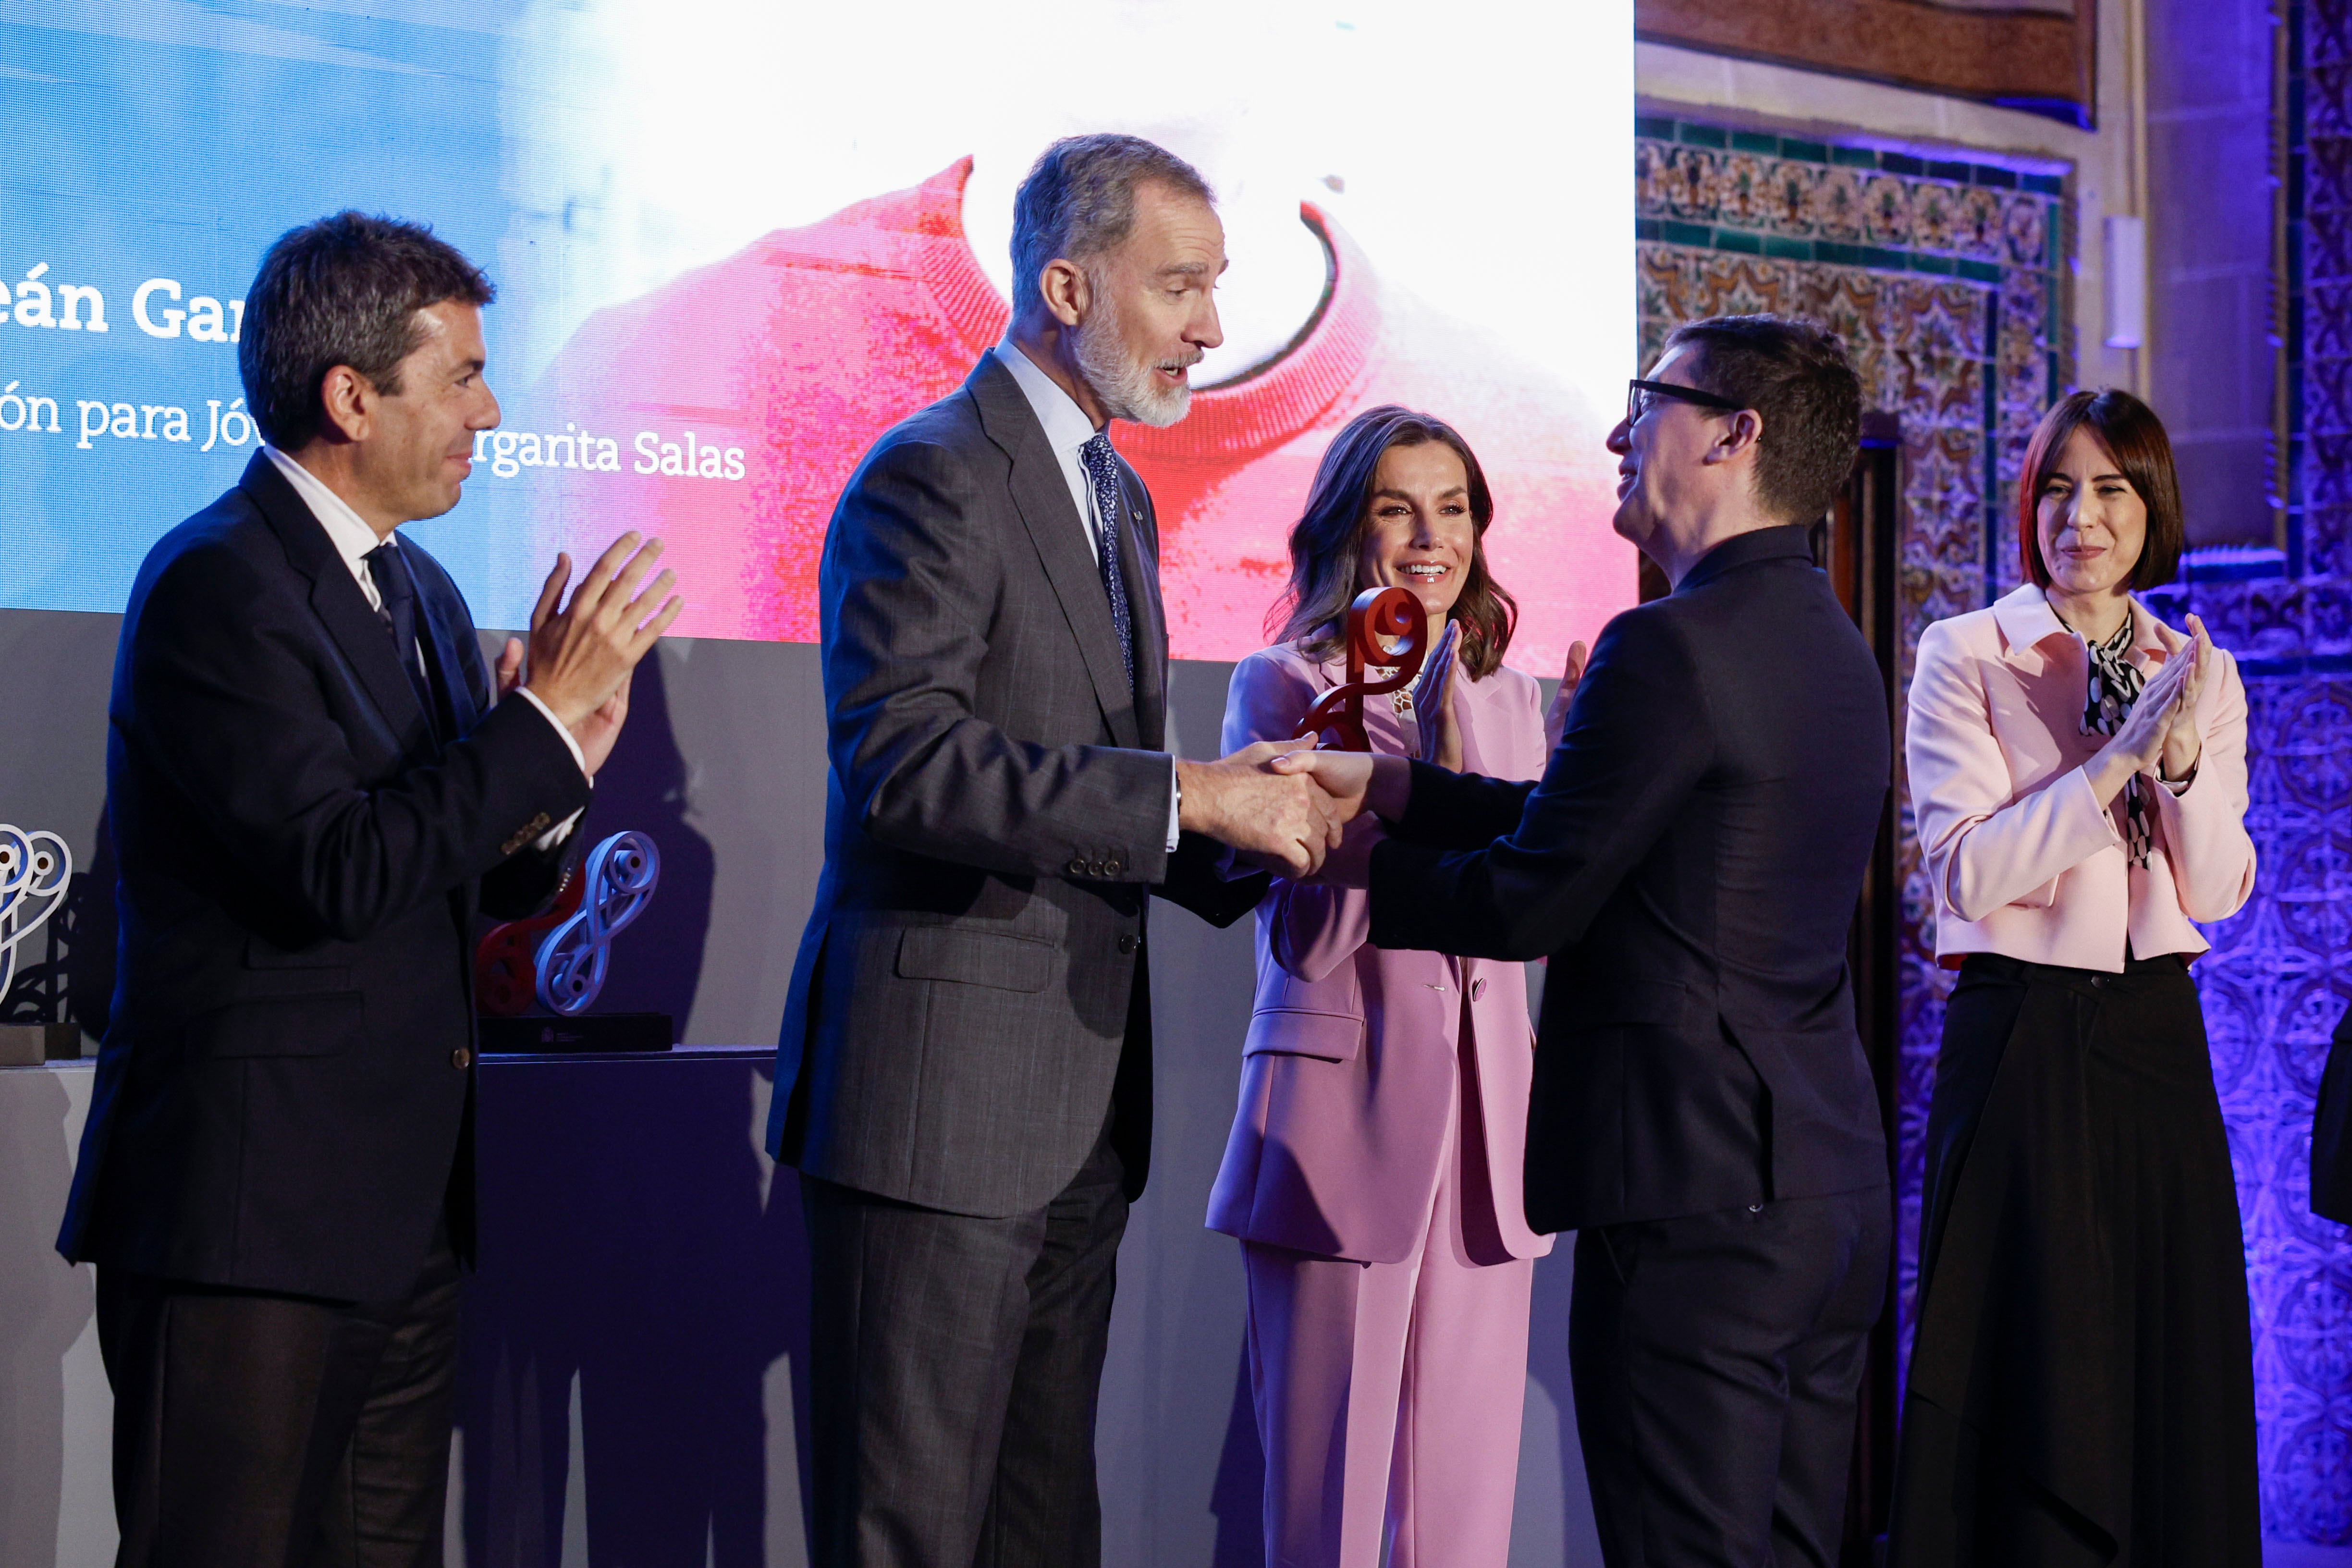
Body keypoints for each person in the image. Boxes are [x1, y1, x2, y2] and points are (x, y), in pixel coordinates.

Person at [54, 211, 681, 1567]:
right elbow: (336, 869)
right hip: (248, 1228)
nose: (493, 410)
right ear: (352, 396)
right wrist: (531, 733)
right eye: (458, 376)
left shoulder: (428, 595)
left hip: (402, 1220)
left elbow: (469, 882)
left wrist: (564, 758)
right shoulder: (217, 584)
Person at [770, 134, 1340, 1568]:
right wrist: (1188, 797)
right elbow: (902, 762)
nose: (1213, 329)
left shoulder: (1117, 492)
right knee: (908, 1533)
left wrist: (1244, 823)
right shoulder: (935, 476)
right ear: (1068, 283)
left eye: (1217, 288)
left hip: (1082, 1115)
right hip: (937, 1118)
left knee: (1042, 1534)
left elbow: (1098, 794)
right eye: (1182, 287)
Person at [1279, 314, 1895, 1567]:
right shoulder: (1835, 645)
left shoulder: (1665, 643)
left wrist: (1342, 849)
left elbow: (1535, 900)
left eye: (1646, 399)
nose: (1617, 433)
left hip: (1690, 1200)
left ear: (1734, 434)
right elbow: (1599, 831)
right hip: (1827, 1190)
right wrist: (1394, 788)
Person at [1888, 389, 2258, 1565]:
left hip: (2157, 1035)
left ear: (2153, 510)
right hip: (2023, 1036)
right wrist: (2111, 768)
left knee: (2167, 1354)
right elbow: (1966, 873)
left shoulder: (2198, 668)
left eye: (2110, 489)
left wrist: (2184, 760)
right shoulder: (1968, 651)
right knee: (2028, 1360)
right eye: (2057, 487)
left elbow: (2214, 891)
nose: (2081, 518)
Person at [1209, 405, 1575, 1567]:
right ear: (1347, 526)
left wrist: (1551, 796)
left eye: (1455, 508)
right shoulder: (1284, 687)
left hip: (1487, 1144)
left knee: (1467, 1514)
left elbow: (1529, 923)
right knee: (1326, 1513)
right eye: (1398, 508)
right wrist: (1401, 758)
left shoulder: (1519, 701)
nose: (1432, 538)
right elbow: (1309, 931)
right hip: (1337, 1128)